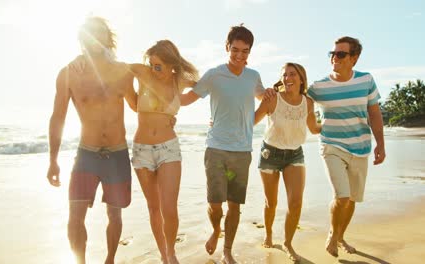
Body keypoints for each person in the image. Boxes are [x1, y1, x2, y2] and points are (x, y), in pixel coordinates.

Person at [46, 17, 137, 264]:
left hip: (117, 155)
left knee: (115, 215)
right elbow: (58, 118)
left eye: (100, 33)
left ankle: (110, 259)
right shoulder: (68, 74)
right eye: (89, 33)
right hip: (86, 154)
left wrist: (166, 113)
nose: (94, 38)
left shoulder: (123, 72)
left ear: (108, 38)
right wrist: (53, 160)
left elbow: (139, 106)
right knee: (75, 217)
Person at [180, 24, 267, 264]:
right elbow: (187, 99)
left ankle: (227, 251)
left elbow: (263, 99)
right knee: (215, 204)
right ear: (227, 47)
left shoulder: (253, 76)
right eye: (235, 50)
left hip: (242, 151)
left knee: (235, 206)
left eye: (245, 51)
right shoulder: (213, 75)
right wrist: (164, 86)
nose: (240, 56)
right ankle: (216, 229)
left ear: (250, 52)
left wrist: (269, 96)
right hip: (216, 149)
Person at [307, 36, 386, 257]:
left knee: (351, 200)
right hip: (331, 145)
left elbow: (374, 113)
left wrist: (381, 143)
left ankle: (341, 235)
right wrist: (312, 126)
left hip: (360, 147)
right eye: (332, 53)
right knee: (341, 196)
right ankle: (333, 235)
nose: (335, 58)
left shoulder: (366, 81)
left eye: (341, 54)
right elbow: (297, 102)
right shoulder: (318, 86)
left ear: (354, 58)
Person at [128, 40, 199, 264]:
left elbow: (207, 87)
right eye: (151, 64)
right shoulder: (142, 73)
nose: (153, 69)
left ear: (171, 64)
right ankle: (164, 256)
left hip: (169, 148)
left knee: (169, 208)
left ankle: (171, 251)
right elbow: (115, 71)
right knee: (153, 207)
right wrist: (130, 97)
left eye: (158, 65)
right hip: (142, 150)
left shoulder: (181, 81)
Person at [254, 62, 321, 262]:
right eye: (284, 75)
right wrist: (222, 122)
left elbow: (314, 128)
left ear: (301, 78)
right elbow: (250, 121)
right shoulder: (272, 99)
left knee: (296, 202)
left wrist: (333, 124)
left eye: (292, 74)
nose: (288, 78)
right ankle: (268, 233)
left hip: (294, 155)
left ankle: (288, 243)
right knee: (271, 202)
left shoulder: (308, 103)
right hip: (270, 154)